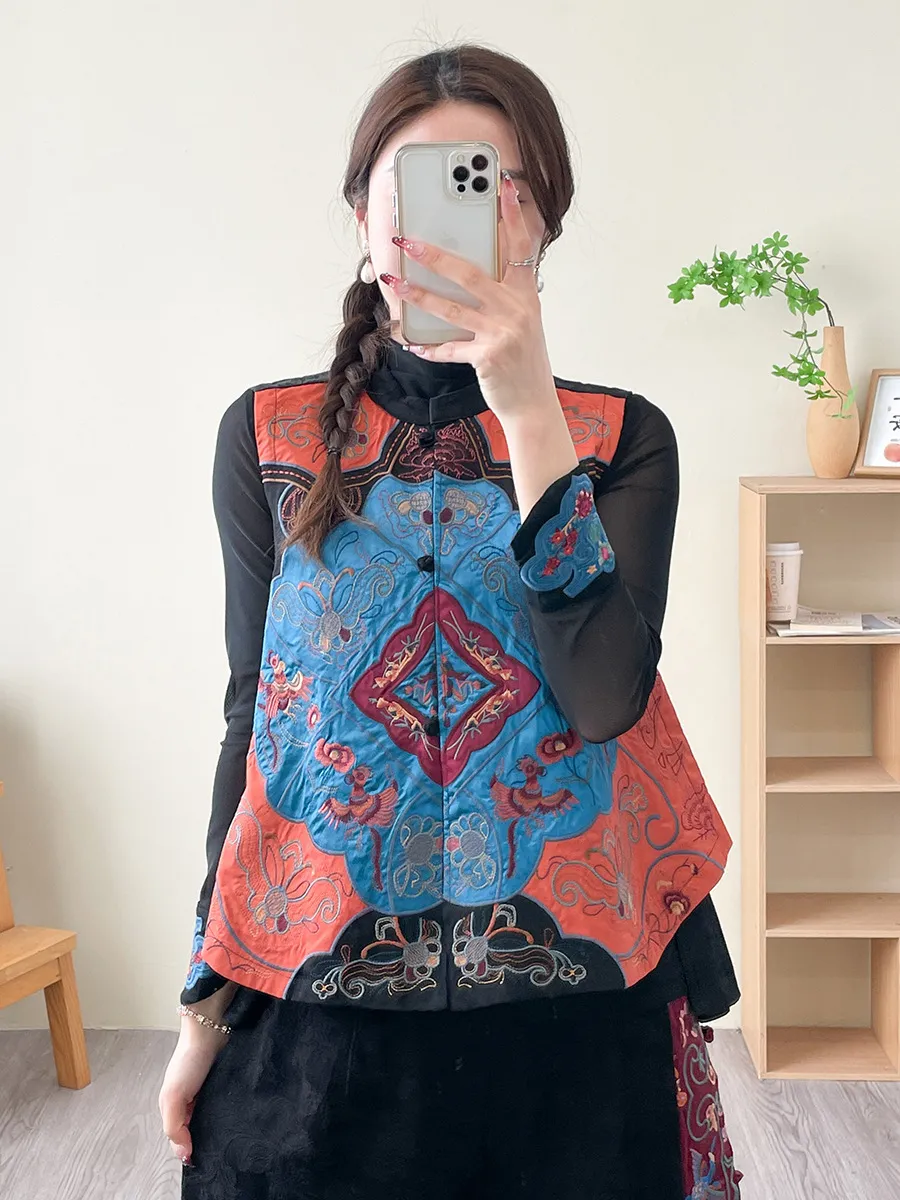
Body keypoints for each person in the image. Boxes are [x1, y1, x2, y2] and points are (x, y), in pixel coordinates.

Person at [159, 42, 743, 1200]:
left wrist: (529, 414)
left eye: (488, 183)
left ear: (541, 220)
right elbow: (256, 726)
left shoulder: (621, 438)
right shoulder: (269, 438)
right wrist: (203, 1010)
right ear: (363, 217)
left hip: (578, 1009)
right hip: (321, 1011)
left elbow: (603, 696)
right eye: (411, 184)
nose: (443, 214)